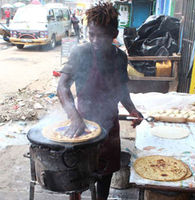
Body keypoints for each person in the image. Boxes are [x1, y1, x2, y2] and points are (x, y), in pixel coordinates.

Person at [57, 3, 143, 200]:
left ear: (114, 33)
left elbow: (121, 90)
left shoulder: (120, 57)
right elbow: (62, 87)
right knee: (77, 175)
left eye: (101, 36)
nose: (95, 40)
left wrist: (133, 110)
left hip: (110, 127)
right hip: (82, 126)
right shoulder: (81, 53)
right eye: (91, 34)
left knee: (105, 175)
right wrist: (74, 118)